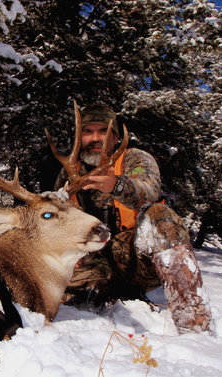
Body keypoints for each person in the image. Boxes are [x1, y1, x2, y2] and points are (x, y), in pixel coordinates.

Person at [54, 103, 212, 334]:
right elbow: (56, 219)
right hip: (92, 262)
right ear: (79, 137)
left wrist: (116, 184)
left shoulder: (135, 160)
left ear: (116, 138)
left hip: (138, 262)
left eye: (104, 131)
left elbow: (147, 190)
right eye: (88, 132)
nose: (96, 138)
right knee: (75, 305)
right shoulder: (69, 171)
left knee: (160, 216)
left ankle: (193, 321)